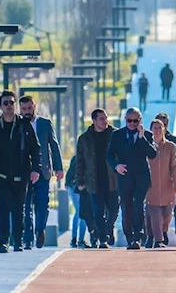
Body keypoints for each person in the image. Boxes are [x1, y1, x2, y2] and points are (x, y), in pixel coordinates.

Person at [0, 90, 41, 253]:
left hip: (21, 174)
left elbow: (35, 148)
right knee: (3, 207)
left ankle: (18, 240)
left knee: (19, 208)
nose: (9, 106)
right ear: (0, 106)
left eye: (12, 103)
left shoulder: (24, 125)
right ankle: (3, 241)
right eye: (6, 103)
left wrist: (35, 169)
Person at [107, 107, 157, 250]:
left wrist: (142, 139)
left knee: (138, 205)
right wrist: (116, 166)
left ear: (140, 121)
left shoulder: (146, 135)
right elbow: (109, 155)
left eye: (135, 121)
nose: (132, 124)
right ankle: (129, 237)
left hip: (141, 177)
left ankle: (137, 237)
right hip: (124, 176)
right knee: (126, 207)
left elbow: (153, 154)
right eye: (129, 121)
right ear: (125, 120)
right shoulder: (117, 135)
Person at [18, 95, 63, 249]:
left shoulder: (44, 124)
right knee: (25, 206)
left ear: (34, 107)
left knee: (42, 205)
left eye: (29, 108)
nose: (26, 112)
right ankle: (28, 238)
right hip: (24, 172)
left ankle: (40, 230)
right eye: (23, 109)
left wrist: (59, 168)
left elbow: (54, 146)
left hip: (43, 172)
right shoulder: (17, 125)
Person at [76, 109, 119, 249]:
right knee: (98, 211)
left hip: (112, 179)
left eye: (106, 118)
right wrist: (80, 180)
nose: (105, 121)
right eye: (101, 119)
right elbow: (80, 161)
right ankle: (102, 239)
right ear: (93, 121)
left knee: (113, 209)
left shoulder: (115, 135)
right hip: (93, 180)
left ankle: (109, 228)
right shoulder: (84, 139)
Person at [145, 119, 176, 248]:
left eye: (160, 127)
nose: (157, 130)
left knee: (167, 213)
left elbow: (175, 167)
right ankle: (158, 240)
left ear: (164, 129)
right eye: (155, 128)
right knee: (155, 213)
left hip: (167, 186)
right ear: (151, 130)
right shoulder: (147, 146)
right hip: (151, 186)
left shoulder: (171, 146)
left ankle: (154, 233)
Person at [65, 155, 89, 249]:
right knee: (81, 211)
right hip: (75, 186)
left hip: (75, 185)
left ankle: (77, 239)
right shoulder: (79, 158)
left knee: (81, 211)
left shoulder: (76, 157)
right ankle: (78, 239)